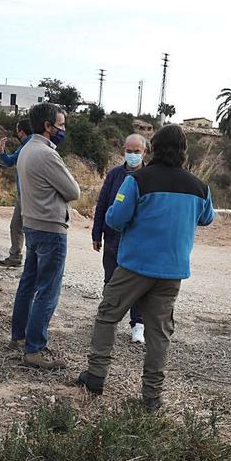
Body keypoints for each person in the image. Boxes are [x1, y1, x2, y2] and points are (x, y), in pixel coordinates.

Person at [76, 124, 214, 411]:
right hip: (172, 271)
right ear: (183, 152)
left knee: (107, 315)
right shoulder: (199, 187)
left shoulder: (137, 180)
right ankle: (152, 396)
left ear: (152, 150)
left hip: (135, 266)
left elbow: (115, 219)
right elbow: (206, 219)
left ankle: (96, 376)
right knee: (159, 332)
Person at [10, 103, 80, 369]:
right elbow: (73, 191)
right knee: (48, 290)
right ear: (47, 126)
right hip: (51, 227)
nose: (63, 129)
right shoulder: (47, 154)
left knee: (28, 283)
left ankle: (19, 337)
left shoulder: (26, 149)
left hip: (32, 224)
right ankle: (34, 350)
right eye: (60, 125)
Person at [92, 134, 148, 343]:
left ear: (144, 152)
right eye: (129, 151)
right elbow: (103, 203)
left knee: (138, 284)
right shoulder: (115, 174)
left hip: (138, 241)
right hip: (113, 238)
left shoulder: (150, 176)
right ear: (123, 150)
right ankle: (107, 319)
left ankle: (138, 325)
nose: (132, 155)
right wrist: (96, 233)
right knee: (110, 280)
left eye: (137, 151)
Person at [0, 119, 33, 268]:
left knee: (20, 226)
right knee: (19, 226)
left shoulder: (27, 146)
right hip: (25, 194)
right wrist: (1, 152)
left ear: (21, 132)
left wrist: (1, 152)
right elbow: (11, 161)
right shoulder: (26, 146)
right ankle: (17, 257)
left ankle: (19, 257)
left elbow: (10, 161)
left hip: (27, 195)